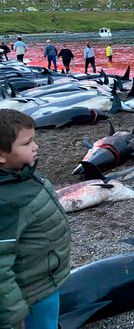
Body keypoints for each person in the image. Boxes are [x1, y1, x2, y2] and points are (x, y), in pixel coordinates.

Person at [0, 109, 71, 329]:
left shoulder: (21, 175)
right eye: (27, 143)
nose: (35, 146)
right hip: (30, 294)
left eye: (34, 140)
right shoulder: (7, 201)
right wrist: (14, 314)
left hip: (44, 280)